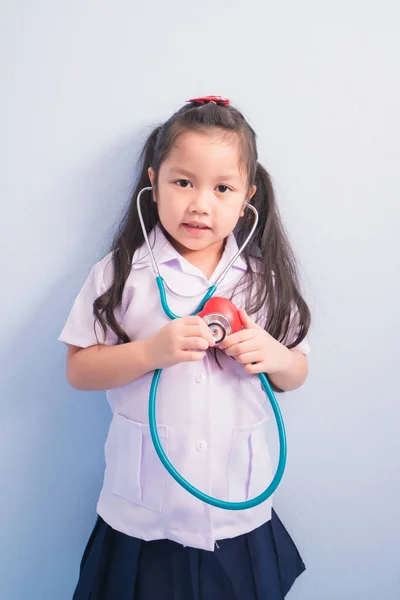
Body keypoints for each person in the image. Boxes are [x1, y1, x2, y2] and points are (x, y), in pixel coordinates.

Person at [59, 95, 311, 600]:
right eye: (183, 182)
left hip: (235, 510)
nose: (200, 204)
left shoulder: (261, 280)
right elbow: (79, 370)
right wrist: (150, 352)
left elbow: (295, 372)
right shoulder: (120, 274)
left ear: (248, 198)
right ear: (153, 183)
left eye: (223, 188)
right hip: (143, 512)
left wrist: (275, 355)